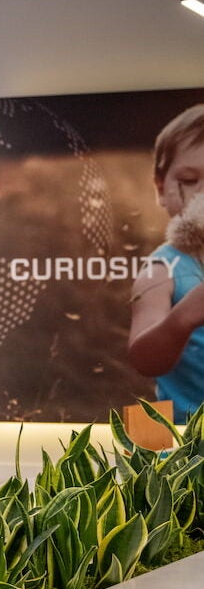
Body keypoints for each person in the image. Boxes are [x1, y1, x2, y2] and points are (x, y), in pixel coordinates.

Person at [128, 104, 204, 423]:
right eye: (189, 179)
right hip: (189, 446)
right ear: (160, 188)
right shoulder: (162, 269)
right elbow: (145, 359)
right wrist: (185, 316)